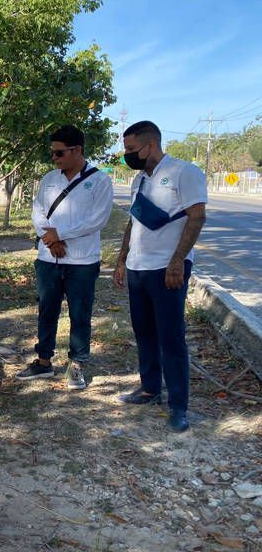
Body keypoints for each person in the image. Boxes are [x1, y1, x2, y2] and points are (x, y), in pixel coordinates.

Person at [113, 121, 207, 432]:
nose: (128, 155)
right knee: (144, 332)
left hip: (168, 269)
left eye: (130, 149)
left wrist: (178, 261)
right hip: (139, 269)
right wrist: (122, 260)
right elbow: (133, 224)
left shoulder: (185, 172)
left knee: (171, 337)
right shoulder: (138, 180)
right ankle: (150, 388)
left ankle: (178, 406)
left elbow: (197, 217)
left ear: (150, 145)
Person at [17, 125, 113, 389]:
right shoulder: (49, 179)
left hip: (81, 262)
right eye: (53, 154)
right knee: (47, 309)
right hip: (49, 258)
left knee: (80, 313)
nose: (55, 159)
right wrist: (50, 238)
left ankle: (77, 365)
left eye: (60, 153)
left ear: (77, 150)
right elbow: (38, 211)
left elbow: (96, 220)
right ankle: (44, 361)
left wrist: (60, 235)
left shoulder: (100, 181)